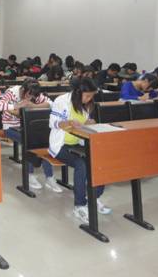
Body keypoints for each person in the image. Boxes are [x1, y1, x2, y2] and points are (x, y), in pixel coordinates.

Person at [49, 78, 111, 224]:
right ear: (78, 93)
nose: (89, 99)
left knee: (100, 160)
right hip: (61, 145)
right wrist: (67, 123)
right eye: (87, 96)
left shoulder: (87, 105)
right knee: (81, 164)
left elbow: (84, 124)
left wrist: (89, 123)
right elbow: (52, 123)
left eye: (92, 96)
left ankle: (93, 197)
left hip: (79, 142)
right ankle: (79, 205)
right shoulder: (61, 101)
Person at [0, 79, 61, 192]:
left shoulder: (34, 93)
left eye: (32, 96)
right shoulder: (12, 92)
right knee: (29, 141)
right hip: (10, 127)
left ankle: (49, 177)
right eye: (28, 95)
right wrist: (17, 105)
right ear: (23, 89)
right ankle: (29, 175)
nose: (29, 97)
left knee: (45, 141)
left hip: (28, 126)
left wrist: (33, 105)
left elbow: (51, 104)